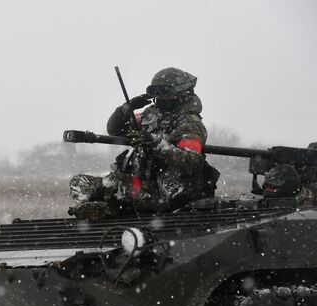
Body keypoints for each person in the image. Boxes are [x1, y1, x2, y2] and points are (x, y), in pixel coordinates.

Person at [69, 67, 219, 220]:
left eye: (165, 92)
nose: (159, 97)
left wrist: (155, 143)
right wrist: (126, 109)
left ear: (181, 94)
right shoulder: (151, 115)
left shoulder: (189, 123)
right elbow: (114, 130)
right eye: (155, 92)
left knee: (115, 182)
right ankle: (104, 206)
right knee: (80, 183)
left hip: (167, 192)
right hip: (142, 183)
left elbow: (190, 160)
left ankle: (110, 208)